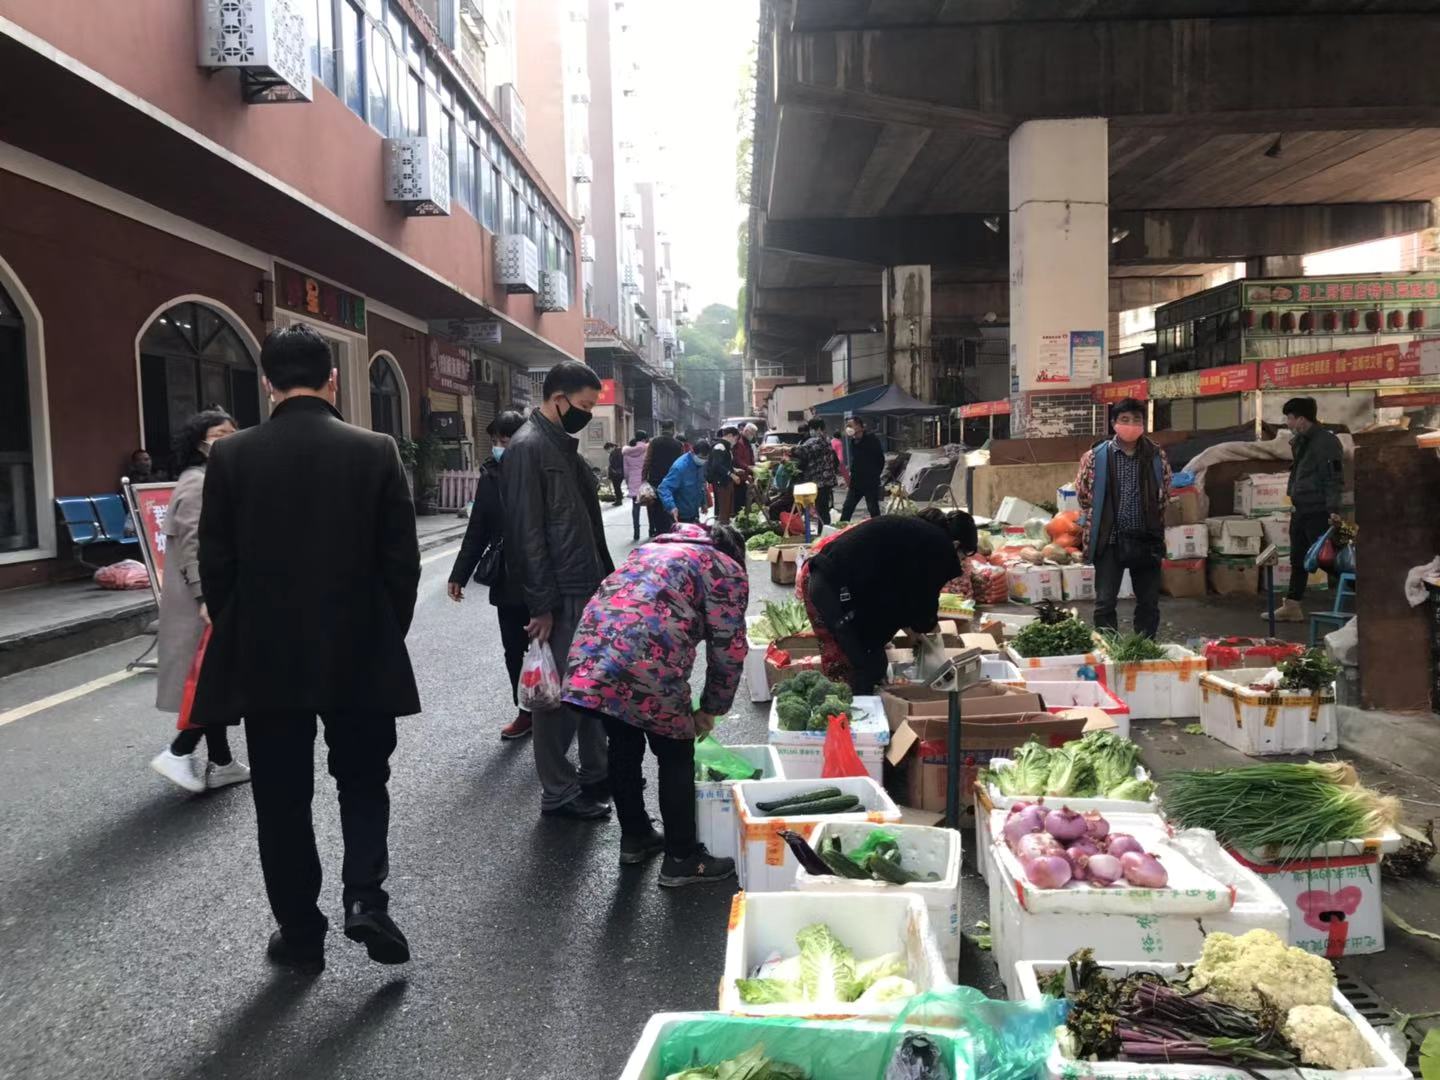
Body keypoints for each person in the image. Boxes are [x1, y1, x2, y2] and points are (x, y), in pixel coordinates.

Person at [194, 323, 420, 973]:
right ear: (334, 379)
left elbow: (218, 565)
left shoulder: (232, 458)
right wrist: (380, 634)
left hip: (269, 657)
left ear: (267, 384)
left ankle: (300, 933)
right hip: (358, 649)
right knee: (363, 780)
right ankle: (364, 898)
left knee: (282, 798)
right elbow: (399, 566)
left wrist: (247, 631)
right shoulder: (375, 450)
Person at [563, 523, 747, 886]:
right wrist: (710, 709)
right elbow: (728, 649)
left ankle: (636, 837)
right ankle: (682, 857)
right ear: (734, 553)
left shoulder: (649, 551)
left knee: (624, 744)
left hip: (594, 658)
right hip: (645, 662)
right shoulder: (724, 568)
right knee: (676, 752)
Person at [501, 359, 615, 820]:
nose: (587, 414)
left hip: (586, 585)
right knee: (557, 697)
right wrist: (542, 604)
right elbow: (526, 533)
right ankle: (559, 791)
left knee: (589, 688)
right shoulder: (528, 448)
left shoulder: (560, 446)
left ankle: (593, 774)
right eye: (585, 406)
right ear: (558, 399)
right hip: (561, 591)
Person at [149, 408, 251, 794]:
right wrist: (205, 596)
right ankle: (179, 751)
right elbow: (194, 546)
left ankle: (222, 762)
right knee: (209, 681)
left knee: (214, 681)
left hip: (210, 597)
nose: (229, 439)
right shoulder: (196, 484)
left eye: (232, 432)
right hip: (203, 603)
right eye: (220, 434)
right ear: (200, 442)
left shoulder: (212, 479)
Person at [800, 508, 977, 694]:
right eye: (962, 556)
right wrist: (928, 632)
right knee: (864, 667)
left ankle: (852, 709)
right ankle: (849, 716)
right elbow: (924, 603)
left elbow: (901, 589)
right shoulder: (939, 547)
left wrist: (914, 629)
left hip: (827, 582)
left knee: (868, 662)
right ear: (956, 545)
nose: (959, 562)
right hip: (830, 589)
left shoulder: (921, 536)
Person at [447, 411, 533, 740]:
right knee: (514, 650)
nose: (499, 447)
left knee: (552, 649)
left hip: (543, 578)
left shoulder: (540, 469)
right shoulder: (490, 475)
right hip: (507, 578)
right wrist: (459, 573)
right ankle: (525, 710)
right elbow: (477, 530)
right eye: (495, 441)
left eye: (505, 440)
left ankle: (560, 712)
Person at [1075, 398, 1172, 640]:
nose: (1131, 425)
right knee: (1105, 602)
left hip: (1145, 538)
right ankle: (1109, 647)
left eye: (1136, 420)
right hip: (1110, 540)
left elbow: (1165, 493)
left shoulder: (1156, 456)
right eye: (1124, 420)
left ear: (1143, 424)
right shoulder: (1095, 457)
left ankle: (1144, 646)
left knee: (1149, 603)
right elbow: (1083, 495)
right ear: (1114, 423)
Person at [1268, 396, 1344, 622]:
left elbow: (1334, 478)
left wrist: (1333, 509)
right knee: (1298, 557)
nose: (1288, 424)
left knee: (1328, 559)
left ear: (1301, 419)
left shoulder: (1326, 443)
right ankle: (1292, 605)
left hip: (1319, 510)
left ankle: (1363, 596)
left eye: (1289, 419)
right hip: (1301, 508)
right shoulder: (1303, 441)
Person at [839, 415, 886, 523]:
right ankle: (841, 531)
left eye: (850, 425)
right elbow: (855, 462)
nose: (848, 428)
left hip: (870, 482)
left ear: (860, 427)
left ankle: (878, 530)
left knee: (873, 509)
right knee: (847, 508)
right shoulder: (852, 442)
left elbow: (880, 459)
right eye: (847, 426)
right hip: (856, 482)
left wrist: (874, 475)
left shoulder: (871, 439)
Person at [643, 420, 685, 537]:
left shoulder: (654, 442)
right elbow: (682, 464)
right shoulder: (678, 445)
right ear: (672, 429)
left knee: (656, 510)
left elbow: (647, 461)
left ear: (662, 429)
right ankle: (670, 532)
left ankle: (659, 533)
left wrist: (643, 479)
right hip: (673, 482)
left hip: (655, 481)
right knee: (670, 508)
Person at [794, 418, 839, 525]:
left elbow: (801, 451)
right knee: (822, 508)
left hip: (821, 480)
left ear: (818, 428)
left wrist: (786, 450)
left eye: (811, 429)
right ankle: (823, 530)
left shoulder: (817, 440)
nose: (810, 431)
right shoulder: (826, 439)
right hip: (826, 479)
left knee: (822, 509)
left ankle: (824, 532)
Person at [659, 438, 711, 525]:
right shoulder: (680, 467)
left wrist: (703, 502)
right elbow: (664, 488)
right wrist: (671, 507)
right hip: (680, 515)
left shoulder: (700, 465)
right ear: (693, 452)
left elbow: (701, 484)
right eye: (702, 458)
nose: (704, 461)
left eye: (706, 458)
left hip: (694, 512)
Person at [707, 426, 741, 525]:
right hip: (721, 482)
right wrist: (732, 475)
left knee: (727, 510)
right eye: (735, 439)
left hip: (726, 482)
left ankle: (724, 526)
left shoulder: (726, 447)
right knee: (723, 510)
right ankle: (722, 530)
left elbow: (725, 464)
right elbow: (717, 465)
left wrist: (734, 470)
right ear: (730, 436)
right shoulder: (720, 447)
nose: (735, 442)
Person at [623, 431, 650, 542]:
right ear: (644, 439)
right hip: (644, 480)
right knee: (649, 505)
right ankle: (651, 529)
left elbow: (626, 471)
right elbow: (649, 464)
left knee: (635, 507)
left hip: (633, 481)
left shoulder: (627, 452)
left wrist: (628, 480)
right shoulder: (647, 449)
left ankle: (636, 533)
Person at [734, 423, 758, 511]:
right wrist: (748, 467)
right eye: (752, 433)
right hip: (740, 474)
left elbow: (750, 456)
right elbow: (738, 460)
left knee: (746, 497)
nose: (753, 436)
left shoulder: (747, 442)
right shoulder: (739, 442)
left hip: (746, 473)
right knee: (739, 498)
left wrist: (752, 469)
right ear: (746, 431)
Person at [606, 442, 625, 507]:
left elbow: (617, 463)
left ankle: (619, 500)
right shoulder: (615, 452)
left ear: (611, 447)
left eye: (607, 449)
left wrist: (613, 469)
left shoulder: (617, 452)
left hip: (617, 473)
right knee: (617, 487)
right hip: (616, 473)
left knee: (617, 487)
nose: (607, 451)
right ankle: (619, 498)